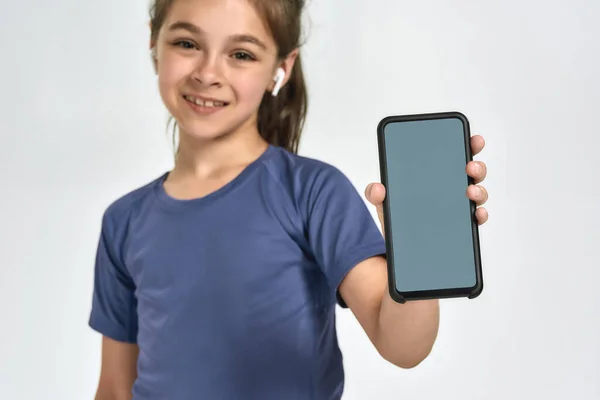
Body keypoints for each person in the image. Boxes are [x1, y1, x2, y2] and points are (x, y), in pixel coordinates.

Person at [88, 0, 490, 399]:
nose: (208, 73)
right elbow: (114, 390)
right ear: (154, 43)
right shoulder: (124, 220)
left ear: (281, 68)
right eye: (187, 44)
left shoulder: (313, 193)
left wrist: (419, 250)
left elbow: (403, 346)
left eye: (241, 54)